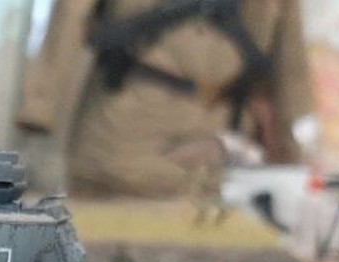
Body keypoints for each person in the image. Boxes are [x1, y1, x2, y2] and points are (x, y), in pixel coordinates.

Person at [17, 0, 312, 197]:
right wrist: (41, 106)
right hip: (128, 134)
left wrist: (295, 150)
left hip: (212, 144)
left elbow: (290, 56)